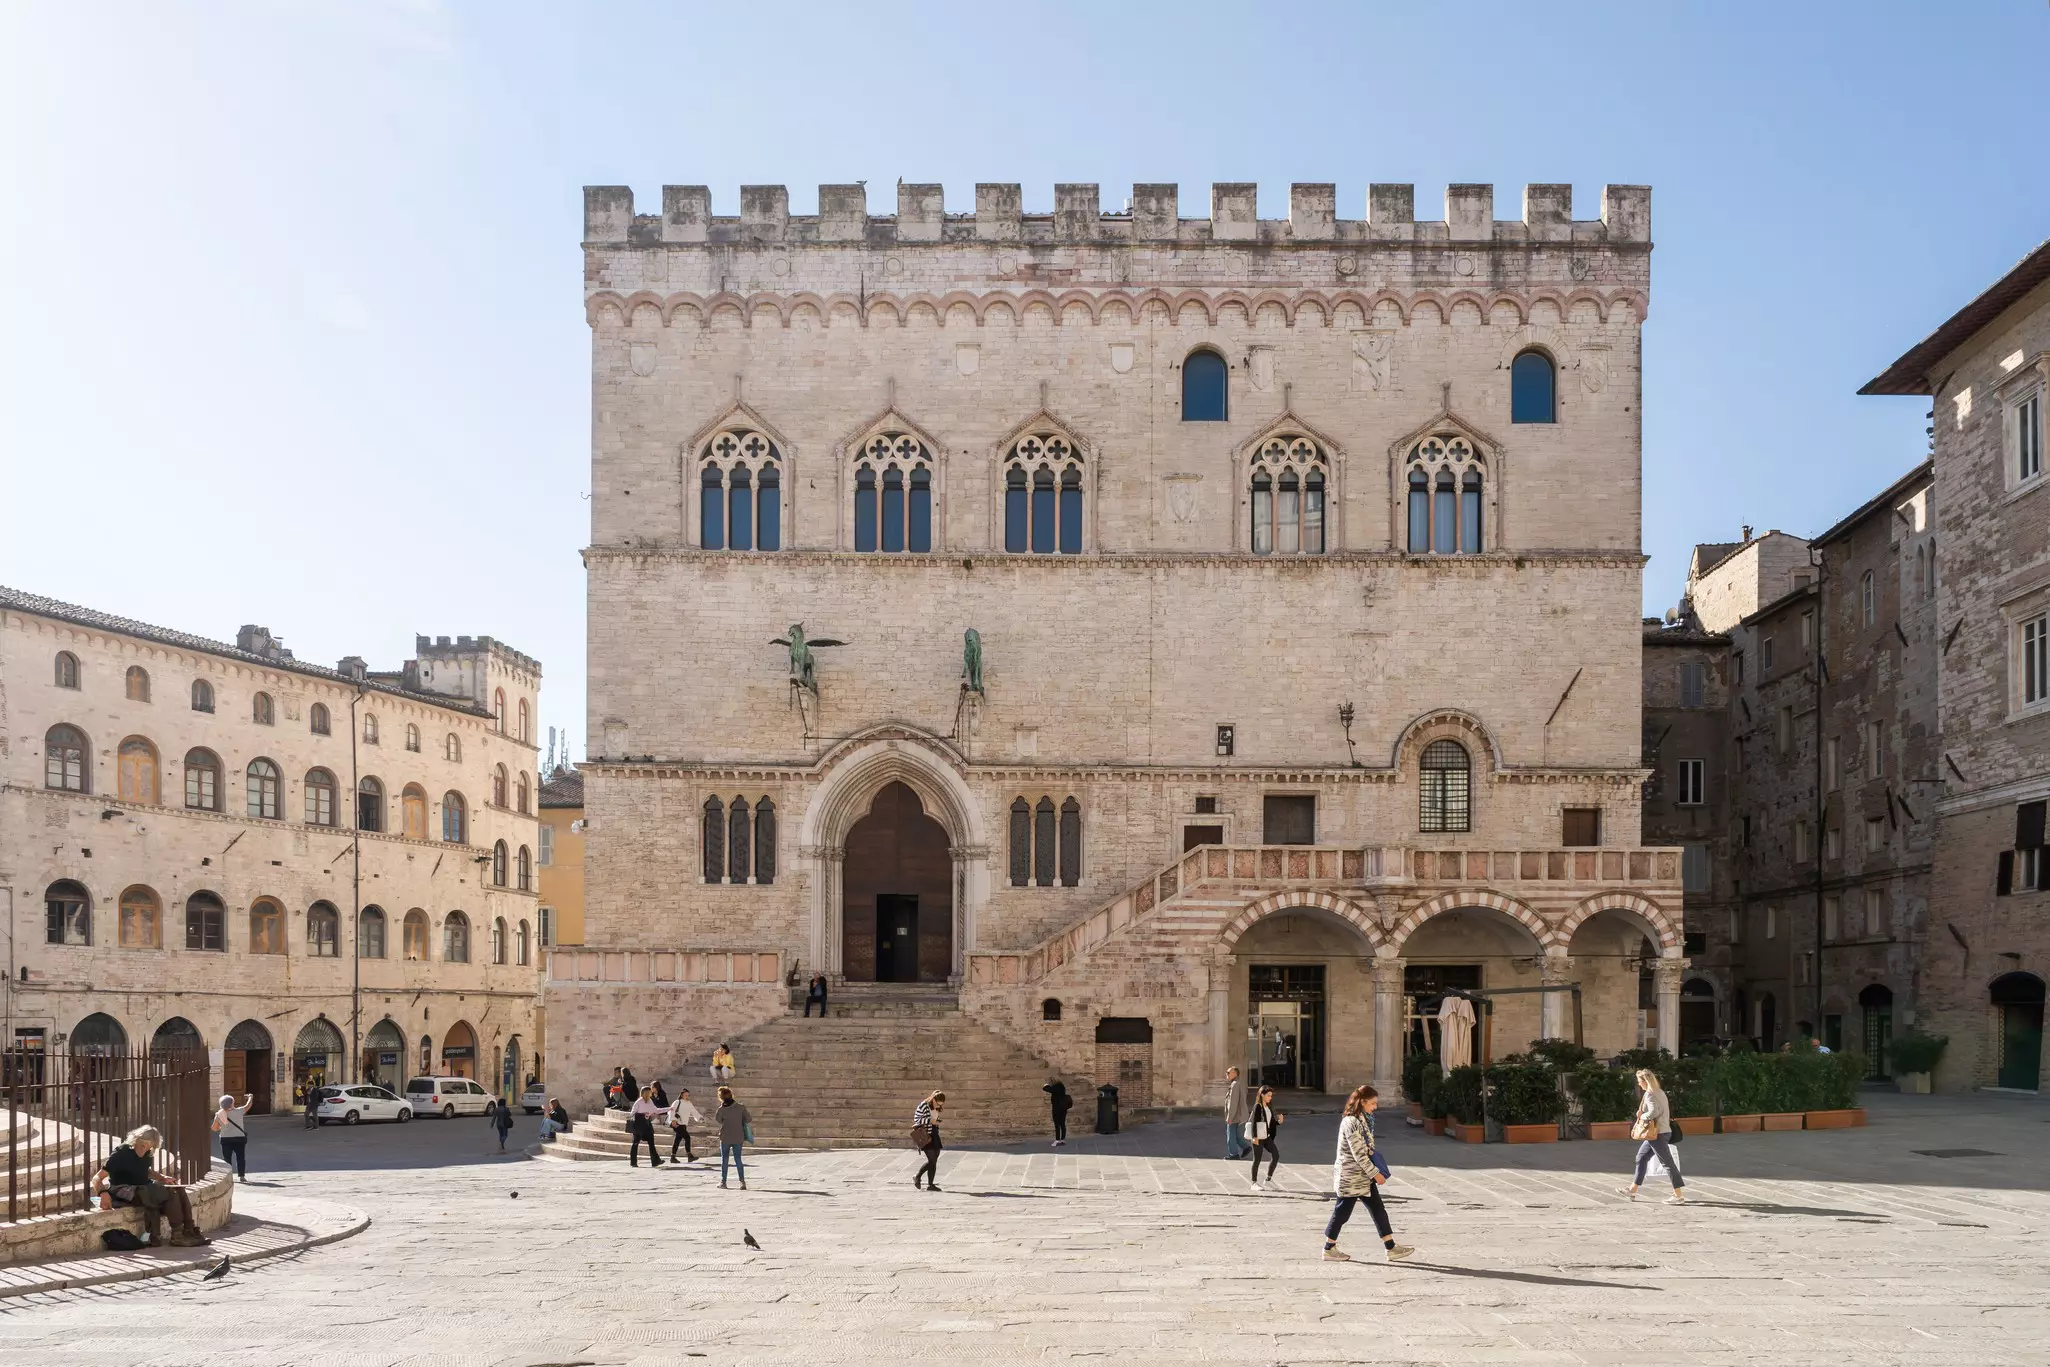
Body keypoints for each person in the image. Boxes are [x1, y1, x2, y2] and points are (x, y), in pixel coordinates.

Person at [1322, 1085, 1412, 1263]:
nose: (1375, 1107)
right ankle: (1328, 1248)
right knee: (1342, 1213)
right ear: (1362, 1102)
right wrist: (1376, 1173)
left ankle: (1391, 1247)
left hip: (1362, 1177)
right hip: (1351, 1177)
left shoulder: (1363, 1119)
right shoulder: (1351, 1122)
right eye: (1372, 1103)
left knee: (1378, 1210)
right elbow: (1358, 1154)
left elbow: (1365, 1149)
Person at [92, 1125, 210, 1247]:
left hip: (145, 1187)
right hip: (124, 1189)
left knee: (177, 1189)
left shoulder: (148, 1154)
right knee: (168, 1193)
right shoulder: (121, 1153)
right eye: (143, 1145)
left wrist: (163, 1178)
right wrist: (103, 1193)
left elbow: (145, 1170)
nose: (145, 1148)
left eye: (149, 1146)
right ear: (135, 1140)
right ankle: (177, 1235)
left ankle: (189, 1230)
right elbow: (97, 1178)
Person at [1618, 1068, 1687, 1204]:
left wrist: (1642, 1115)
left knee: (1667, 1163)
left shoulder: (1649, 1094)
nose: (1639, 1084)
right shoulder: (1660, 1092)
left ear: (1645, 1081)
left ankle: (1678, 1195)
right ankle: (1632, 1191)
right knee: (1641, 1157)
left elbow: (1654, 1112)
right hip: (1661, 1132)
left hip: (1657, 1133)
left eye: (1639, 1082)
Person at [714, 1086, 752, 1188]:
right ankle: (742, 1182)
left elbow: (718, 1120)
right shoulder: (741, 1107)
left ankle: (723, 1182)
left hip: (725, 1136)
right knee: (738, 1159)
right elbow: (748, 1119)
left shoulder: (721, 1109)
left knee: (724, 1160)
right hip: (738, 1136)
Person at [1246, 1085, 1282, 1189]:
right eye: (1268, 1095)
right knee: (1257, 1159)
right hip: (1258, 1137)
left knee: (1276, 1155)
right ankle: (1254, 1183)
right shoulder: (1258, 1106)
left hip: (1266, 1136)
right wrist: (1254, 1137)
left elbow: (1270, 1122)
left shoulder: (1269, 1106)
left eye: (1271, 1095)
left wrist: (1279, 1122)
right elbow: (1254, 1122)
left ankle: (1268, 1179)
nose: (1270, 1097)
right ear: (1262, 1095)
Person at [210, 1093, 252, 1183]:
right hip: (239, 1138)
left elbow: (214, 1128)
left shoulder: (219, 1114)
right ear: (232, 1103)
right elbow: (248, 1105)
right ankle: (242, 1176)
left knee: (227, 1158)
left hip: (225, 1139)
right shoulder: (239, 1111)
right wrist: (250, 1097)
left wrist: (221, 1127)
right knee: (240, 1157)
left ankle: (229, 1177)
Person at [911, 1090, 945, 1191]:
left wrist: (937, 1121)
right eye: (937, 1103)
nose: (938, 1105)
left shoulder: (937, 1107)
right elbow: (917, 1120)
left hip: (934, 1133)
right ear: (933, 1099)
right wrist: (931, 1121)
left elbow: (935, 1118)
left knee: (935, 1158)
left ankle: (931, 1184)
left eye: (940, 1104)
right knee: (932, 1160)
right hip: (925, 1134)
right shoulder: (923, 1105)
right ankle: (918, 1176)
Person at [628, 1085, 665, 1168]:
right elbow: (632, 1113)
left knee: (651, 1142)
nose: (650, 1093)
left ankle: (655, 1161)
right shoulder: (639, 1101)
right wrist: (642, 1114)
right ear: (645, 1093)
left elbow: (655, 1110)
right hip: (638, 1124)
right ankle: (633, 1162)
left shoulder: (650, 1101)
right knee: (635, 1143)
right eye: (649, 1092)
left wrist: (669, 1109)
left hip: (647, 1124)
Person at [669, 1086, 705, 1163]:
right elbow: (671, 1111)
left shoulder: (689, 1103)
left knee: (677, 1140)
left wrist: (700, 1118)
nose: (687, 1096)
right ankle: (689, 1155)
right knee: (687, 1138)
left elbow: (694, 1111)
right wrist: (673, 1120)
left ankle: (673, 1157)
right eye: (685, 1095)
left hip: (684, 1124)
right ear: (682, 1095)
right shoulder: (677, 1102)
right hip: (677, 1124)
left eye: (688, 1095)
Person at [1222, 1066, 1250, 1160]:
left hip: (1235, 1115)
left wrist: (1230, 1117)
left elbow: (1233, 1103)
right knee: (1236, 1135)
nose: (1227, 1074)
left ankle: (1233, 1154)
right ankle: (1246, 1147)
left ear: (1235, 1073)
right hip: (1239, 1114)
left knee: (1231, 1135)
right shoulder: (1238, 1083)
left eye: (1228, 1072)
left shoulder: (1235, 1085)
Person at [1042, 1079, 1072, 1147]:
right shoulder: (1062, 1086)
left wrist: (1046, 1085)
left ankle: (1057, 1140)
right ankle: (1063, 1139)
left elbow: (1045, 1089)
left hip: (1057, 1108)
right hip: (1063, 1108)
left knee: (1057, 1125)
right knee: (1062, 1124)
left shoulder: (1055, 1087)